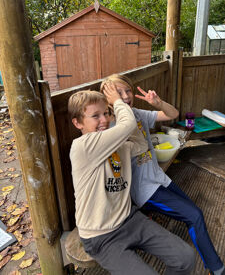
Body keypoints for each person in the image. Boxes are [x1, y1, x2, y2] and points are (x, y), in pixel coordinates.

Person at [100, 74, 225, 275]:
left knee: (194, 213)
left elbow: (172, 114)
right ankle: (217, 268)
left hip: (159, 179)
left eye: (128, 90)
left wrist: (159, 103)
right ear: (107, 98)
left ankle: (213, 265)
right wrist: (117, 104)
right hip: (145, 190)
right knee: (194, 216)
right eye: (118, 93)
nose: (125, 96)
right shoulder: (112, 127)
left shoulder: (137, 113)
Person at [68, 83, 195, 275]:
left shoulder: (119, 146)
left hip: (129, 219)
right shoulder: (82, 147)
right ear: (77, 123)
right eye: (95, 116)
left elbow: (140, 144)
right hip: (100, 236)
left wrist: (120, 111)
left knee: (186, 257)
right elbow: (127, 126)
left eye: (106, 113)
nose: (104, 120)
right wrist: (118, 103)